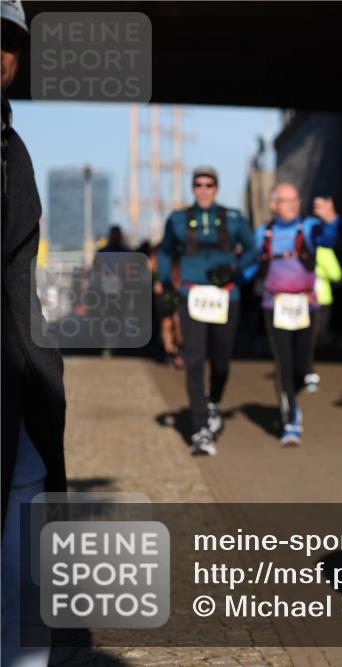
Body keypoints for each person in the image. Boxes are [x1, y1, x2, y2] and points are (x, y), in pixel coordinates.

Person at [1, 2, 66, 664]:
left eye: (9, 41)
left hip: (16, 389)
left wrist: (44, 373)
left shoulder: (13, 148)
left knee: (24, 572)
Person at [157, 166, 256, 455]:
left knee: (222, 361)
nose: (203, 189)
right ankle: (200, 429)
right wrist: (167, 282)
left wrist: (235, 268)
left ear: (216, 188)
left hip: (226, 296)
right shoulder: (177, 220)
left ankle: (213, 401)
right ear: (193, 187)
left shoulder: (234, 218)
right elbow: (165, 252)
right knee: (195, 360)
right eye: (198, 184)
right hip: (192, 295)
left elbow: (252, 249)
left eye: (209, 184)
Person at [245, 183, 339, 446]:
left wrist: (331, 220)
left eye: (295, 200)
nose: (292, 205)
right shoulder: (263, 233)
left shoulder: (308, 228)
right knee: (283, 362)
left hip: (305, 306)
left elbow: (329, 240)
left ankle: (293, 394)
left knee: (301, 364)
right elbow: (251, 264)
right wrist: (230, 279)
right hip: (275, 307)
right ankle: (290, 421)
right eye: (285, 201)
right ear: (273, 205)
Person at [304, 242, 342, 393]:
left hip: (321, 300)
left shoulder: (325, 251)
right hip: (301, 301)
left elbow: (337, 274)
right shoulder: (296, 248)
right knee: (305, 336)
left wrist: (318, 270)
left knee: (317, 335)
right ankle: (308, 370)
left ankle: (305, 366)